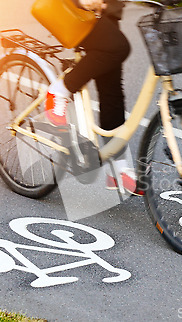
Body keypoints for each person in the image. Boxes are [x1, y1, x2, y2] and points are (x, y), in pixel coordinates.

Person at [45, 0, 143, 195]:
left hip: (105, 11)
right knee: (119, 47)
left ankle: (117, 168)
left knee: (112, 92)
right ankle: (61, 89)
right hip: (75, 10)